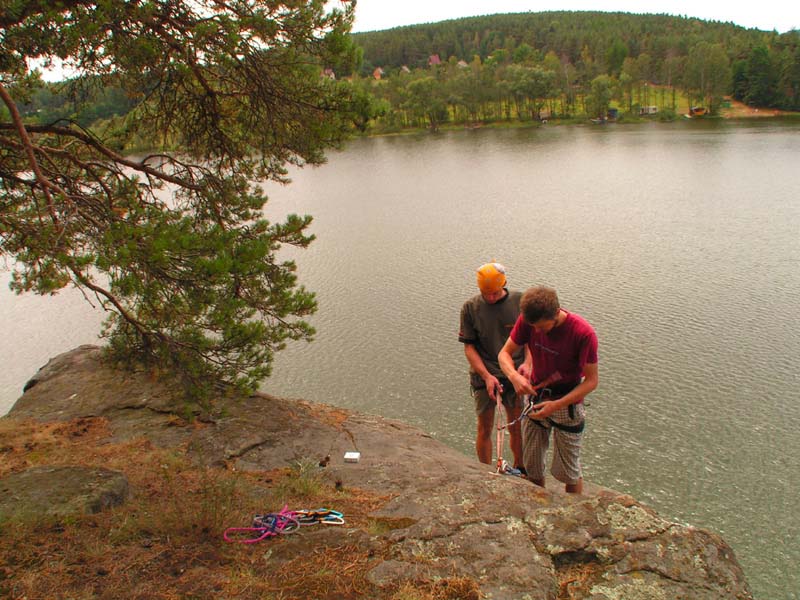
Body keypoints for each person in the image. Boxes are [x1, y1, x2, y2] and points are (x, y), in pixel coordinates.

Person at [498, 286, 598, 494]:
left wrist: (557, 405)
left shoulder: (582, 333)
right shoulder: (528, 322)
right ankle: (537, 507)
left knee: (569, 471)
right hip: (536, 397)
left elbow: (591, 381)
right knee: (532, 464)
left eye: (542, 328)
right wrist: (514, 376)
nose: (536, 332)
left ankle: (574, 515)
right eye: (533, 327)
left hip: (566, 402)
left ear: (556, 313)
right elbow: (504, 354)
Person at [459, 262, 528, 472]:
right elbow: (469, 347)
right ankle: (485, 472)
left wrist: (527, 364)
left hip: (514, 374)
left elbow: (530, 339)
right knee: (485, 427)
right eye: (485, 293)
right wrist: (486, 376)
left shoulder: (520, 302)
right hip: (484, 375)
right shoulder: (470, 308)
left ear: (504, 284)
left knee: (516, 427)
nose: (490, 298)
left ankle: (521, 468)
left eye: (495, 293)